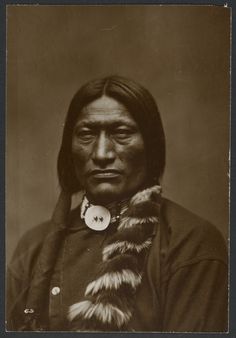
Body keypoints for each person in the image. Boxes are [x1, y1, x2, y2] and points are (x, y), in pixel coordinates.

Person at [6, 75, 228, 332]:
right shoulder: (33, 248)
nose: (102, 154)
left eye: (121, 133)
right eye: (86, 134)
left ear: (151, 146)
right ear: (69, 149)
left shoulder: (189, 244)